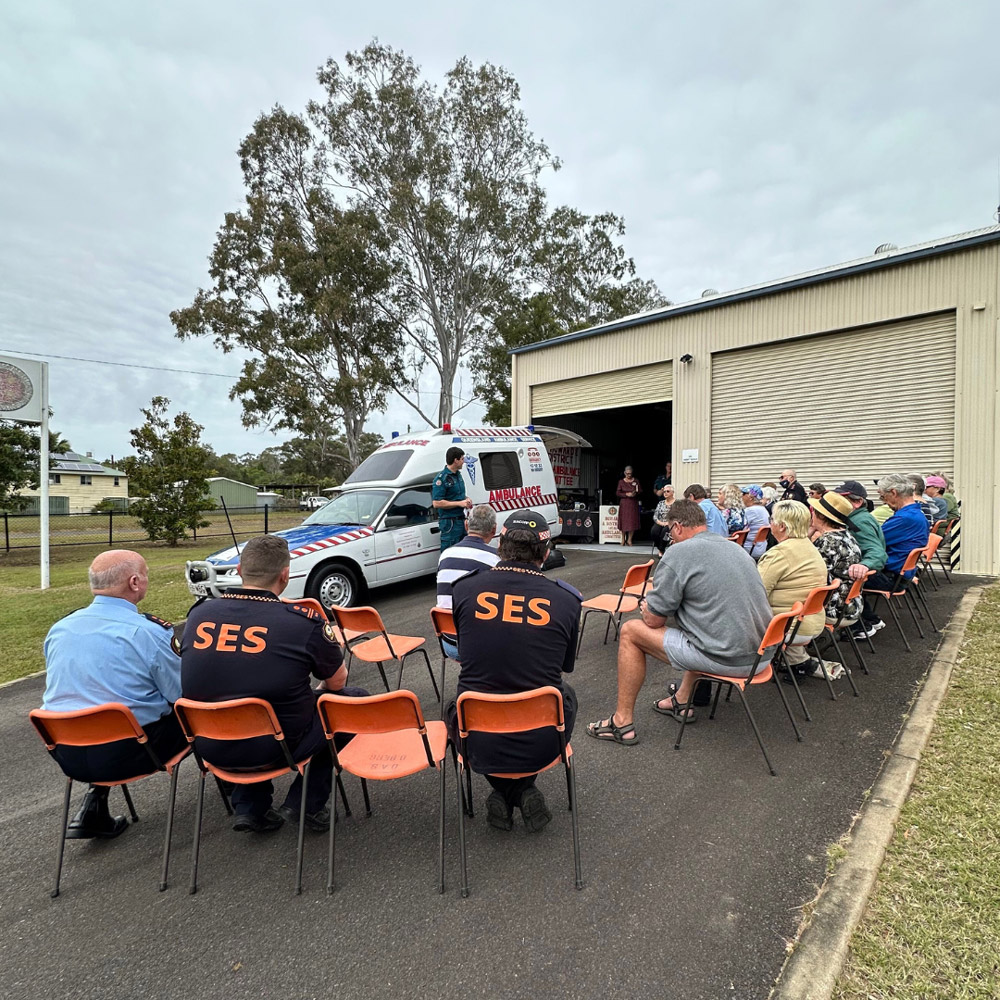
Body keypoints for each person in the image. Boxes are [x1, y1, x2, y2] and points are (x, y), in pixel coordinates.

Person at [181, 535, 367, 833]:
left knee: (242, 701)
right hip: (275, 746)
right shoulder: (302, 621)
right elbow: (337, 681)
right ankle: (304, 804)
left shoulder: (199, 615)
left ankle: (250, 808)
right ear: (285, 575)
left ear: (240, 570)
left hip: (209, 745)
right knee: (354, 702)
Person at [586, 499, 773, 745]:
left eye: (669, 533)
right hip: (762, 655)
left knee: (631, 630)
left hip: (728, 658)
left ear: (676, 527)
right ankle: (682, 701)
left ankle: (621, 723)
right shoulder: (736, 548)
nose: (669, 539)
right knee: (699, 629)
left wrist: (647, 607)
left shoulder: (678, 552)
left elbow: (653, 620)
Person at [448, 510, 581, 832]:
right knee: (566, 695)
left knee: (457, 702)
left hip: (476, 738)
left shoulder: (464, 590)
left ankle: (504, 790)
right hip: (543, 738)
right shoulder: (567, 600)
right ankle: (522, 788)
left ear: (500, 546)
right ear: (546, 552)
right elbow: (564, 666)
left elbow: (466, 655)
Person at [41, 550, 186, 839]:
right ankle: (241, 794)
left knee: (99, 712)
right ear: (134, 582)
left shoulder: (59, 629)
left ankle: (94, 804)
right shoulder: (148, 632)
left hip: (67, 753)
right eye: (145, 574)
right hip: (136, 753)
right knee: (197, 717)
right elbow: (182, 694)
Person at [757, 501, 828, 678]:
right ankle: (796, 661)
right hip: (811, 621)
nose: (769, 523)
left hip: (788, 627)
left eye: (771, 519)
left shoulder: (779, 554)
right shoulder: (808, 546)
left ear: (781, 526)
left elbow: (755, 594)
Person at [856, 474, 930, 638]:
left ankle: (863, 625)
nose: (883, 501)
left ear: (894, 493)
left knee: (843, 578)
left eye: (883, 496)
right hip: (901, 575)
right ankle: (871, 619)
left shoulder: (905, 518)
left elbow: (875, 541)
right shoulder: (916, 514)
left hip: (891, 577)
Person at [806, 492, 865, 678]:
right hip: (851, 604)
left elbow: (810, 577)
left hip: (834, 608)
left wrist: (806, 538)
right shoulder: (846, 536)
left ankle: (792, 656)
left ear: (820, 516)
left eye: (813, 511)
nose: (810, 514)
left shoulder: (827, 542)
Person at [435, 503, 500, 658]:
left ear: (466, 525)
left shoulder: (446, 555)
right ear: (494, 529)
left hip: (448, 643)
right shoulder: (495, 559)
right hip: (476, 645)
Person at [832, 482, 888, 613]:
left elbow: (877, 552)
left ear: (857, 502)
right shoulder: (860, 517)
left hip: (865, 576)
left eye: (840, 499)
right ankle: (869, 620)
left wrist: (865, 565)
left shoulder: (858, 522)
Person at [432, 446, 473, 550]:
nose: (464, 462)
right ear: (456, 460)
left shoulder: (458, 475)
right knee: (450, 551)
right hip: (450, 523)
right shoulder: (442, 478)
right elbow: (437, 503)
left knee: (464, 550)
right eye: (462, 459)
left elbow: (456, 495)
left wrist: (466, 500)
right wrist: (459, 503)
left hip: (461, 520)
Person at [740, 486, 771, 559]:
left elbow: (739, 526)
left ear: (751, 497)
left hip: (749, 548)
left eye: (744, 494)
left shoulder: (751, 511)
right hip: (760, 547)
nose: (741, 496)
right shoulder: (763, 509)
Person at [616, 466, 642, 545]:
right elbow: (618, 493)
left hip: (633, 503)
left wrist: (635, 493)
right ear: (624, 473)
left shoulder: (636, 481)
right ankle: (623, 538)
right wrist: (626, 494)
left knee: (632, 521)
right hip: (624, 503)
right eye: (627, 474)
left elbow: (640, 490)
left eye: (630, 474)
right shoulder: (621, 482)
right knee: (624, 521)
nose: (629, 475)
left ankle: (629, 539)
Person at [650, 485, 676, 555]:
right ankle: (660, 548)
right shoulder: (660, 503)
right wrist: (661, 523)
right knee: (654, 531)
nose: (665, 493)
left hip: (671, 524)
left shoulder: (677, 503)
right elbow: (655, 516)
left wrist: (669, 523)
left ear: (672, 493)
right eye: (664, 491)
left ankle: (661, 550)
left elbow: (678, 516)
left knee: (665, 532)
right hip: (661, 522)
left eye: (668, 491)